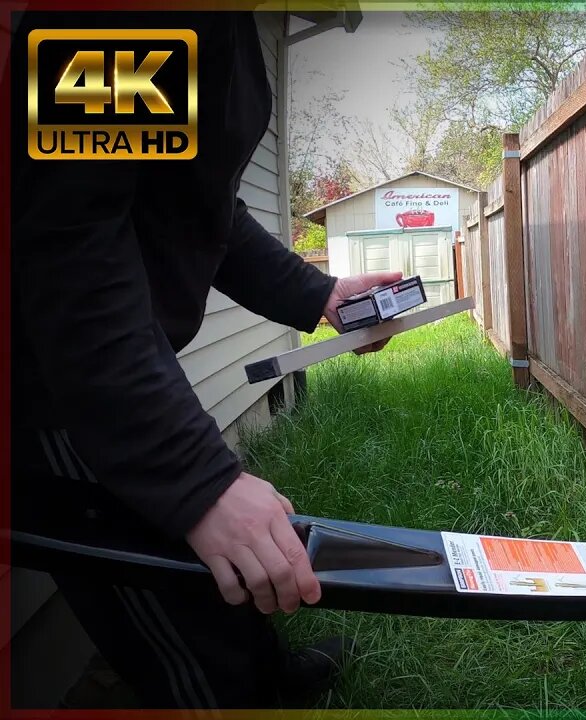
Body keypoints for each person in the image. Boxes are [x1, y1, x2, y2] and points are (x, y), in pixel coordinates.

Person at [11, 10, 395, 708]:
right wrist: (193, 478)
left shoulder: (229, 31)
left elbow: (204, 208)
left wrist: (322, 294)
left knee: (220, 556)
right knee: (177, 620)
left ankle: (270, 678)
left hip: (127, 359)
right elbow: (68, 249)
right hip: (59, 382)